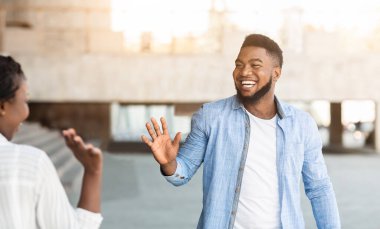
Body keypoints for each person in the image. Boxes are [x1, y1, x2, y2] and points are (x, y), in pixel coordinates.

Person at [142, 34, 340, 229]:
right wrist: (169, 164)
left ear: (276, 73)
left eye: (255, 65)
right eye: (239, 64)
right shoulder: (210, 116)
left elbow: (319, 188)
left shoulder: (301, 125)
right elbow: (181, 174)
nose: (244, 72)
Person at [0, 56, 103, 228]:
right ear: (2, 107)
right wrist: (93, 172)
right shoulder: (29, 164)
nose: (27, 112)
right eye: (25, 100)